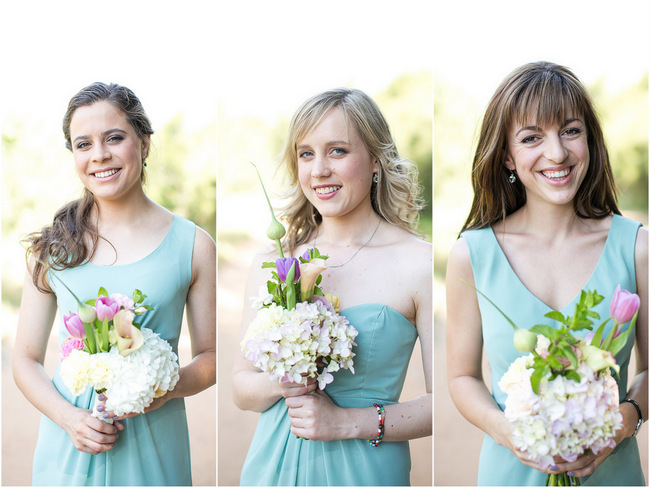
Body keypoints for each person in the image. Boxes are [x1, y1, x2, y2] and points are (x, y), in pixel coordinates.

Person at [446, 61, 647, 485]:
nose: (556, 153)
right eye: (531, 138)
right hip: (509, 473)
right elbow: (462, 378)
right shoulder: (472, 254)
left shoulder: (638, 248)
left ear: (589, 139)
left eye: (570, 131)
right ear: (506, 156)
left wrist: (619, 426)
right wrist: (508, 432)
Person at [13, 82, 216, 486]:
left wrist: (165, 389)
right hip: (70, 448)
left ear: (143, 143)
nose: (99, 155)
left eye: (114, 138)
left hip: (155, 446)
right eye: (83, 144)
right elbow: (25, 359)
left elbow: (210, 358)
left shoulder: (193, 244)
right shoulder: (53, 246)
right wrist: (71, 421)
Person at [232, 88, 432, 486]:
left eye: (337, 151)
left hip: (366, 470)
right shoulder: (275, 261)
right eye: (306, 154)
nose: (319, 170)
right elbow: (241, 387)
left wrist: (347, 423)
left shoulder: (419, 263)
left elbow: (445, 403)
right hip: (273, 468)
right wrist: (283, 382)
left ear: (376, 160)